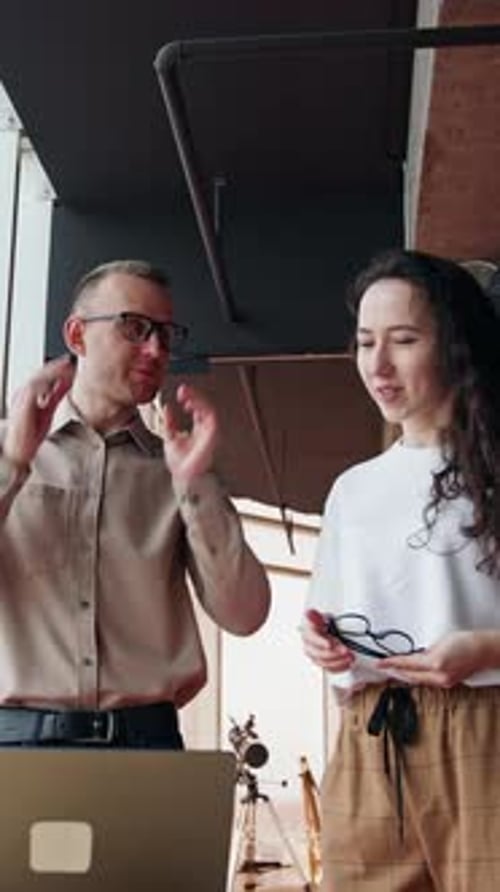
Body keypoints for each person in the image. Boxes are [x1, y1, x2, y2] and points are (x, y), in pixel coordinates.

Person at [0, 259, 271, 750]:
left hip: (147, 741)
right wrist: (14, 464)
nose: (155, 349)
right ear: (78, 336)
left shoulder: (181, 471)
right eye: (135, 328)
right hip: (13, 742)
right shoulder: (8, 450)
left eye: (166, 336)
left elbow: (245, 615)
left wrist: (197, 487)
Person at [301, 248, 500, 891]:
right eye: (364, 343)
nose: (377, 366)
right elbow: (335, 620)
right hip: (370, 737)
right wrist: (321, 643)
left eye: (404, 340)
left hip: (484, 724)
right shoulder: (352, 490)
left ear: (456, 344)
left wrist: (487, 650)